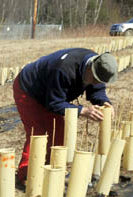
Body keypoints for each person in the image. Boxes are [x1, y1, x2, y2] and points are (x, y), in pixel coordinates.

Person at [14, 49, 116, 182]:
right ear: (90, 69)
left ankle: (52, 170)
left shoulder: (97, 67)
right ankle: (26, 175)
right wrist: (83, 111)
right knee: (37, 134)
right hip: (29, 90)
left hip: (50, 93)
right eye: (96, 80)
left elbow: (96, 91)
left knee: (58, 130)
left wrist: (105, 102)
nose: (96, 83)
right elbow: (54, 104)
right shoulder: (63, 69)